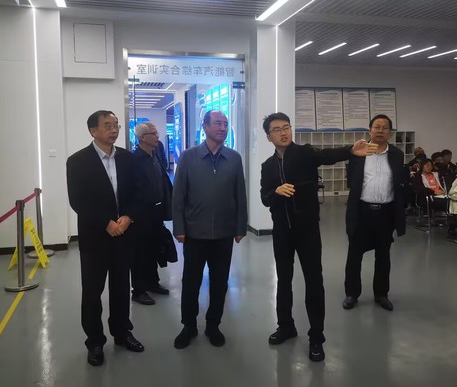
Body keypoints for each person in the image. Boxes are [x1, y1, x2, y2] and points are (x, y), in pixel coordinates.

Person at [260, 112, 376, 362]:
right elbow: (264, 197)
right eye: (277, 129)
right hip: (282, 232)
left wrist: (350, 150)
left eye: (286, 127)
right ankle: (286, 326)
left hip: (307, 231)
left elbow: (327, 155)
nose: (283, 132)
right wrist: (275, 191)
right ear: (269, 137)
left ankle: (316, 337)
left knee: (314, 282)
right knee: (284, 281)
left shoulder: (304, 153)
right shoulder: (267, 166)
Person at [66, 110, 144, 367]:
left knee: (121, 288)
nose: (114, 130)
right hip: (95, 238)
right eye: (108, 126)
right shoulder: (77, 161)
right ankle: (95, 341)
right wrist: (106, 223)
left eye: (116, 125)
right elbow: (78, 201)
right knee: (92, 291)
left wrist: (128, 217)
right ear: (93, 131)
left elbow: (137, 192)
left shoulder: (127, 158)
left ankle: (122, 333)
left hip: (124, 234)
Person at [172, 110, 247, 349]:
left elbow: (240, 194)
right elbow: (178, 195)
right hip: (194, 233)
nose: (222, 128)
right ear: (204, 127)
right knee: (190, 282)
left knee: (220, 282)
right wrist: (179, 227)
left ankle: (213, 325)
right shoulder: (189, 157)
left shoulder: (234, 158)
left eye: (225, 124)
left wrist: (240, 226)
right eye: (217, 123)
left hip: (224, 233)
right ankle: (189, 325)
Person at [343, 114, 406, 312]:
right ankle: (352, 293)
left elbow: (398, 183)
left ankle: (381, 294)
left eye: (385, 127)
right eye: (377, 127)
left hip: (386, 213)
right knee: (354, 255)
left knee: (383, 256)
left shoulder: (397, 155)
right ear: (369, 130)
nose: (380, 131)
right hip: (362, 211)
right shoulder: (358, 152)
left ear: (390, 132)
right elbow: (352, 181)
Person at [131, 122, 173, 305]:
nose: (157, 136)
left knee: (154, 249)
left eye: (157, 133)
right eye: (153, 134)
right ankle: (138, 290)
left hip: (157, 212)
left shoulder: (155, 154)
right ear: (142, 138)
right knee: (140, 253)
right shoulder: (134, 160)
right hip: (141, 215)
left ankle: (152, 282)